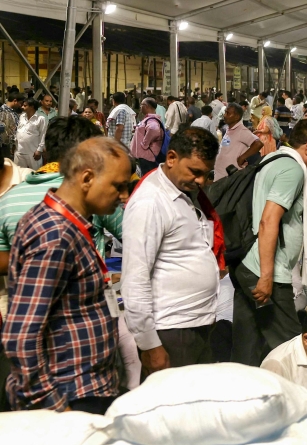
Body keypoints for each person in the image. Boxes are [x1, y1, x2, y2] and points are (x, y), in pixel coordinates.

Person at [2, 137, 132, 412]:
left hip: (85, 389)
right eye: (118, 186)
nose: (123, 196)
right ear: (87, 178)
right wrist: (57, 409)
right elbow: (20, 336)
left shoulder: (68, 226)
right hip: (69, 395)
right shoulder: (55, 235)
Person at [232, 120, 307, 366]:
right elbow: (269, 221)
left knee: (248, 346)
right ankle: (305, 401)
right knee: (294, 350)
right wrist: (267, 275)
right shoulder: (293, 170)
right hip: (266, 270)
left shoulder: (272, 160)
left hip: (247, 264)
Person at [122, 128, 221, 377]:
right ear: (172, 158)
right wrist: (150, 345)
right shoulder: (150, 202)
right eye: (195, 172)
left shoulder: (187, 194)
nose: (200, 180)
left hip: (197, 325)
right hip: (170, 331)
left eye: (206, 174)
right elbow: (135, 278)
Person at [214, 103, 262, 180]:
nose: (225, 115)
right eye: (225, 112)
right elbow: (226, 147)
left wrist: (242, 157)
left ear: (237, 117)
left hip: (230, 177)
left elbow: (258, 144)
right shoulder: (229, 129)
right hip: (220, 174)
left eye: (228, 113)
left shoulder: (241, 130)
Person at [131, 98, 165, 176]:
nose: (140, 107)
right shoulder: (150, 119)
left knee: (147, 177)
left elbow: (154, 129)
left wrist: (145, 144)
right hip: (146, 156)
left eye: (141, 105)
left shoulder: (151, 120)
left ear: (146, 106)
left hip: (147, 156)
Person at [14, 98, 45, 169]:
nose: (22, 107)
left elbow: (43, 135)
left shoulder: (40, 119)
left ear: (32, 107)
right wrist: (15, 143)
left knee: (35, 174)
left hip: (32, 152)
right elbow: (18, 130)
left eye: (25, 106)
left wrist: (39, 150)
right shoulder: (22, 116)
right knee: (19, 174)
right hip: (19, 151)